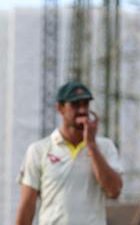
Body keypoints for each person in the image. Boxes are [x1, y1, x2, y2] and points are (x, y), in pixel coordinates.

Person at [15, 82, 123, 225]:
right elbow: (27, 206)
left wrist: (91, 145)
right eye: (75, 104)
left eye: (85, 104)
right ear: (60, 108)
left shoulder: (105, 147)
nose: (82, 110)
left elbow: (114, 191)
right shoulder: (38, 150)